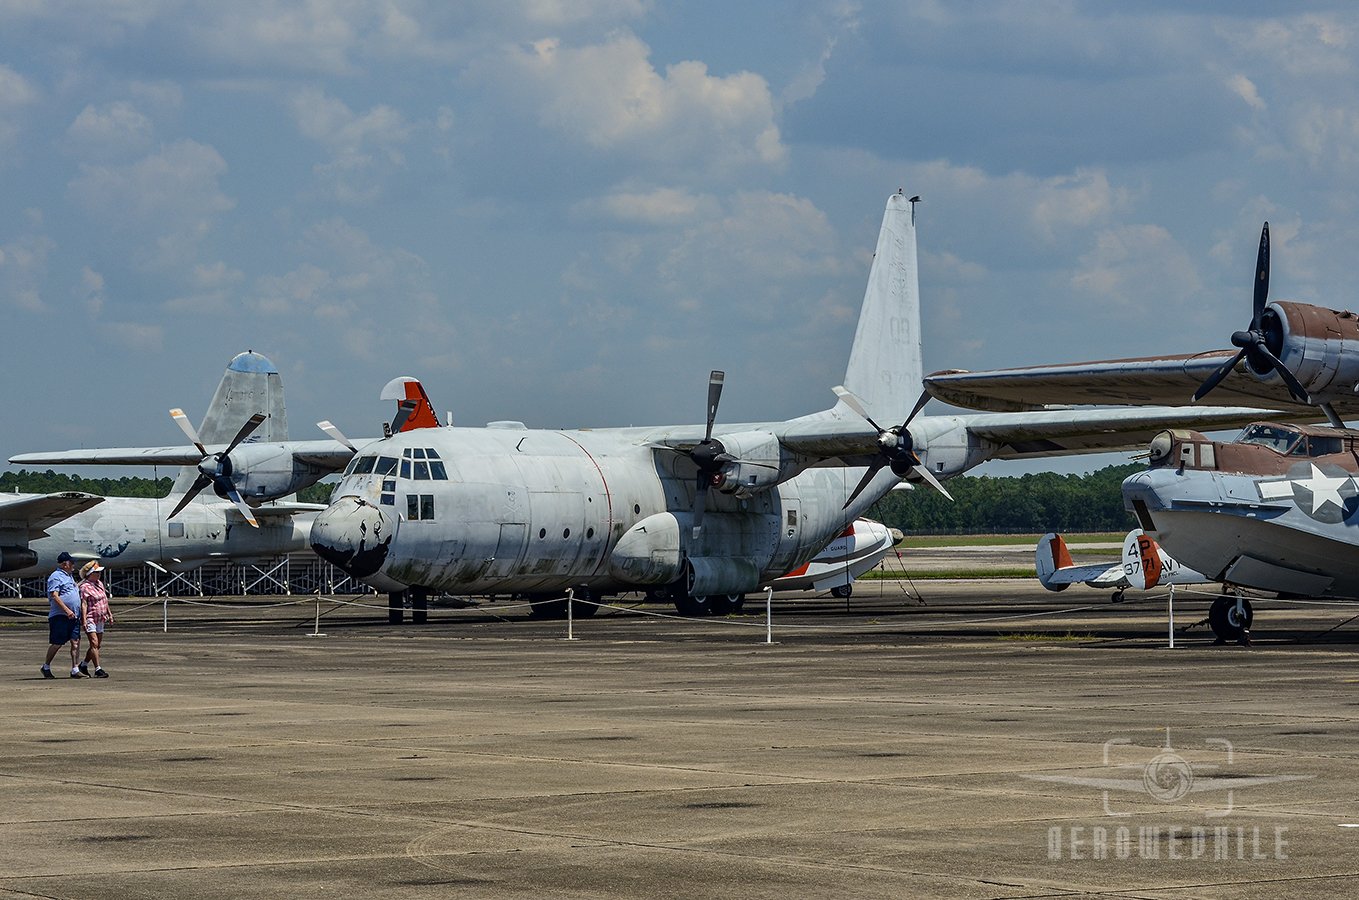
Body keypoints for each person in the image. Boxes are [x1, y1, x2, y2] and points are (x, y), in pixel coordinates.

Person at [41, 551, 82, 678]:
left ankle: (75, 669)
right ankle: (46, 666)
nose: (74, 565)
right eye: (72, 562)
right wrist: (67, 610)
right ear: (65, 564)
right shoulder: (56, 576)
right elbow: (55, 595)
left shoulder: (69, 576)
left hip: (74, 615)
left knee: (75, 641)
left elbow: (72, 589)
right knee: (57, 643)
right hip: (60, 616)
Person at [78, 561, 113, 678]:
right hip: (90, 618)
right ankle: (98, 669)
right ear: (90, 574)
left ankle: (83, 664)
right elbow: (84, 604)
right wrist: (83, 620)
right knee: (94, 643)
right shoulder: (84, 587)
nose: (99, 574)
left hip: (100, 618)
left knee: (97, 646)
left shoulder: (100, 584)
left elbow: (105, 600)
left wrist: (109, 613)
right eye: (96, 572)